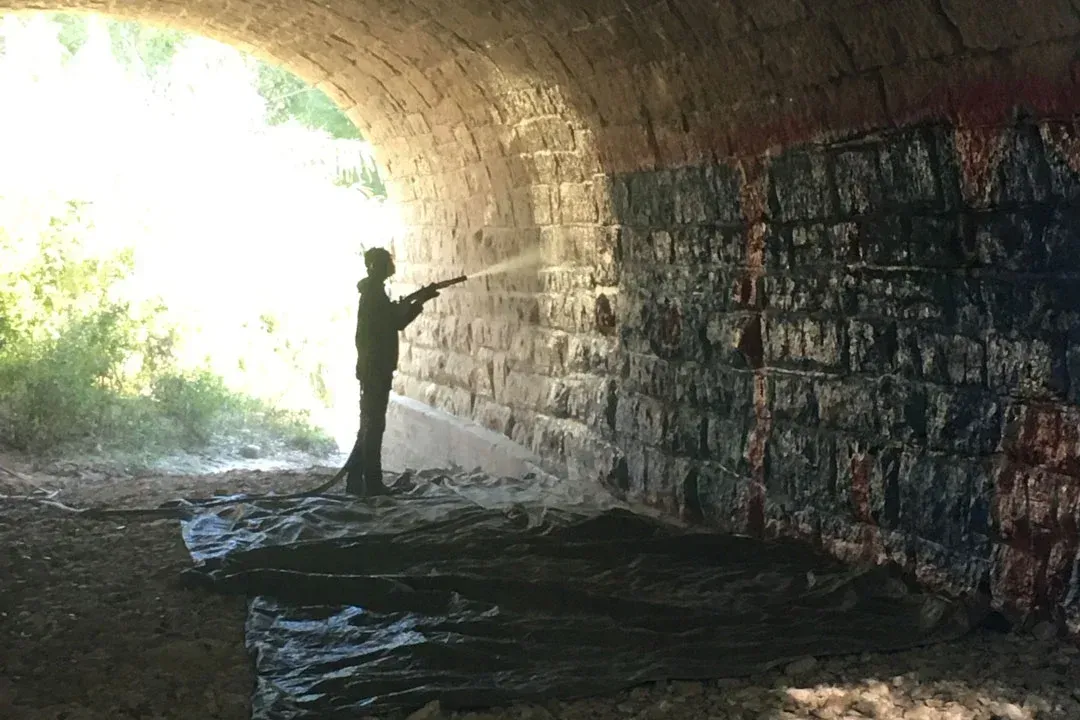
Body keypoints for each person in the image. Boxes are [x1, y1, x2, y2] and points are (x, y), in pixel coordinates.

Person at [347, 247, 438, 496]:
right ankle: (372, 485)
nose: (392, 264)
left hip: (373, 368)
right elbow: (395, 323)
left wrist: (415, 301)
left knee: (369, 425)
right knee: (374, 426)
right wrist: (420, 301)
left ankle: (355, 482)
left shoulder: (373, 292)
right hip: (375, 369)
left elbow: (388, 321)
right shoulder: (374, 295)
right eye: (387, 261)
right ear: (377, 266)